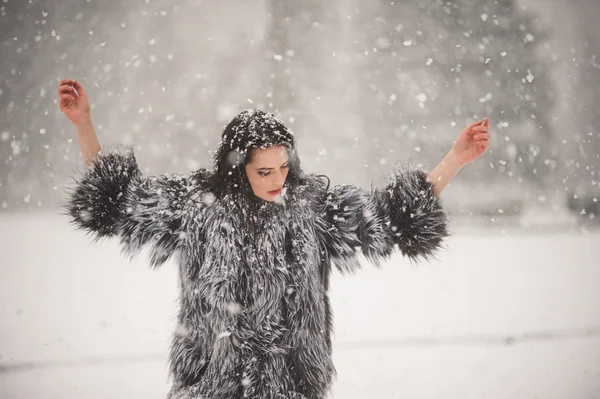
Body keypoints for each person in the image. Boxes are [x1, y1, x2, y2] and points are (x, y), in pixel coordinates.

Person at [58, 78, 490, 399]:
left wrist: (455, 159)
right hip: (208, 388)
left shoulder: (313, 207)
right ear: (236, 168)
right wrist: (84, 122)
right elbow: (116, 204)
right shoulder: (195, 204)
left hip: (292, 390)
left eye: (283, 167)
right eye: (264, 171)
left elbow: (395, 216)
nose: (277, 180)